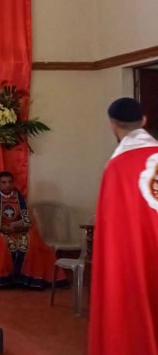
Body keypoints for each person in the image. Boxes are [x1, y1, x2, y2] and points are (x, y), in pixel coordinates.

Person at [89, 97, 158, 355]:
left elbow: (113, 229)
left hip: (138, 257)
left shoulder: (117, 167)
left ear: (112, 124)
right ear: (144, 121)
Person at [0, 171, 61, 288]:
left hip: (19, 230)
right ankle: (3, 278)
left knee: (31, 242)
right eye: (3, 182)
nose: (7, 185)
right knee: (2, 243)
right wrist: (4, 228)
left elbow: (28, 220)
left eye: (10, 182)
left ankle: (27, 279)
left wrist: (15, 225)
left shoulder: (20, 199)